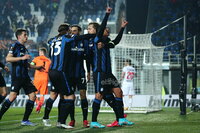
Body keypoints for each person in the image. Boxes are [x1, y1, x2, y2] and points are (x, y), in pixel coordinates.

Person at [88, 18, 134, 128]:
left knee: (119, 92)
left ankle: (121, 119)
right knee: (99, 95)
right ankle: (94, 121)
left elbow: (116, 41)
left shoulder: (106, 41)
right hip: (100, 73)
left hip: (109, 73)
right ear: (100, 30)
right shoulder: (96, 39)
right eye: (105, 29)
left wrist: (122, 28)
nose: (107, 30)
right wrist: (107, 14)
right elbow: (101, 28)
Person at [0, 28, 44, 126]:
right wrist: (22, 57)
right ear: (19, 36)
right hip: (17, 76)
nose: (26, 36)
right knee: (13, 96)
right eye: (25, 35)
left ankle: (25, 120)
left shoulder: (23, 47)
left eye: (27, 34)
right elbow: (8, 58)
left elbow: (25, 63)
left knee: (32, 96)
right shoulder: (14, 45)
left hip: (25, 77)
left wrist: (37, 67)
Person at [67, 25, 90, 128]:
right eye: (71, 31)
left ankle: (85, 120)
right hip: (70, 74)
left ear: (79, 32)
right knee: (71, 97)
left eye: (75, 31)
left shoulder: (84, 42)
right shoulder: (68, 41)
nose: (73, 33)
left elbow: (88, 58)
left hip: (80, 73)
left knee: (82, 95)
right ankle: (72, 120)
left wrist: (88, 72)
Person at [31, 47, 51, 113]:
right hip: (45, 78)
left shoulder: (36, 58)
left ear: (41, 52)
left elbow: (31, 65)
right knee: (42, 94)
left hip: (37, 78)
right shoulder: (49, 60)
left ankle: (37, 103)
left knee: (34, 93)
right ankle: (40, 104)